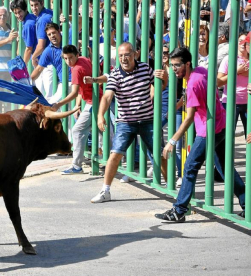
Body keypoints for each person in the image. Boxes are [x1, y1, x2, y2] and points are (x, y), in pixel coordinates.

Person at [158, 47, 246, 222]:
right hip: (220, 125)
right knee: (225, 168)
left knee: (190, 167)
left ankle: (179, 210)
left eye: (177, 66)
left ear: (187, 64)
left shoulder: (192, 83)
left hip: (208, 130)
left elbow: (189, 118)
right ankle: (248, 204)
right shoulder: (201, 71)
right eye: (172, 66)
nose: (173, 69)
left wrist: (172, 141)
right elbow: (215, 84)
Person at [89, 42, 168, 203]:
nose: (123, 59)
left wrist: (164, 80)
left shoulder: (145, 68)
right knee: (115, 154)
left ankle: (170, 186)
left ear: (135, 54)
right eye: (120, 56)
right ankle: (106, 190)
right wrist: (100, 115)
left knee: (160, 153)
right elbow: (107, 96)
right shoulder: (116, 74)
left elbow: (158, 86)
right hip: (126, 121)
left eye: (127, 55)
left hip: (147, 119)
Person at [51, 45, 102, 174]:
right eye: (66, 58)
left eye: (71, 58)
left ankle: (77, 166)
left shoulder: (76, 70)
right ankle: (107, 158)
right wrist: (77, 104)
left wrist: (58, 104)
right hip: (97, 99)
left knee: (77, 130)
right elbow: (81, 89)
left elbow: (74, 93)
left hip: (94, 102)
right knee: (101, 130)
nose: (69, 61)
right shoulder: (84, 60)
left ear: (76, 55)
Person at [217, 32, 249, 138]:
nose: (243, 43)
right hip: (230, 102)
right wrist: (236, 71)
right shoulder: (229, 59)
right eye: (240, 41)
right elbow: (218, 82)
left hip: (248, 103)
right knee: (226, 137)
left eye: (246, 41)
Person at [30, 23, 71, 104]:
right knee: (52, 105)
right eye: (49, 34)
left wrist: (67, 18)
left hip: (78, 80)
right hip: (64, 83)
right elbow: (38, 69)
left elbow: (79, 21)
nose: (52, 36)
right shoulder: (48, 51)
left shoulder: (68, 37)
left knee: (52, 105)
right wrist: (27, 81)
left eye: (54, 33)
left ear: (59, 31)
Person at [29, 0, 54, 99]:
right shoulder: (50, 13)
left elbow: (41, 46)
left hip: (46, 63)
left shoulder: (42, 20)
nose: (34, 8)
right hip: (53, 60)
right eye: (32, 5)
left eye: (36, 5)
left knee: (47, 97)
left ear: (42, 3)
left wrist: (33, 57)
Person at [10, 0, 37, 64]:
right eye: (15, 13)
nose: (18, 15)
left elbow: (29, 48)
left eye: (20, 12)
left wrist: (23, 65)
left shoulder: (28, 25)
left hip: (40, 60)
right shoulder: (32, 17)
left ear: (25, 9)